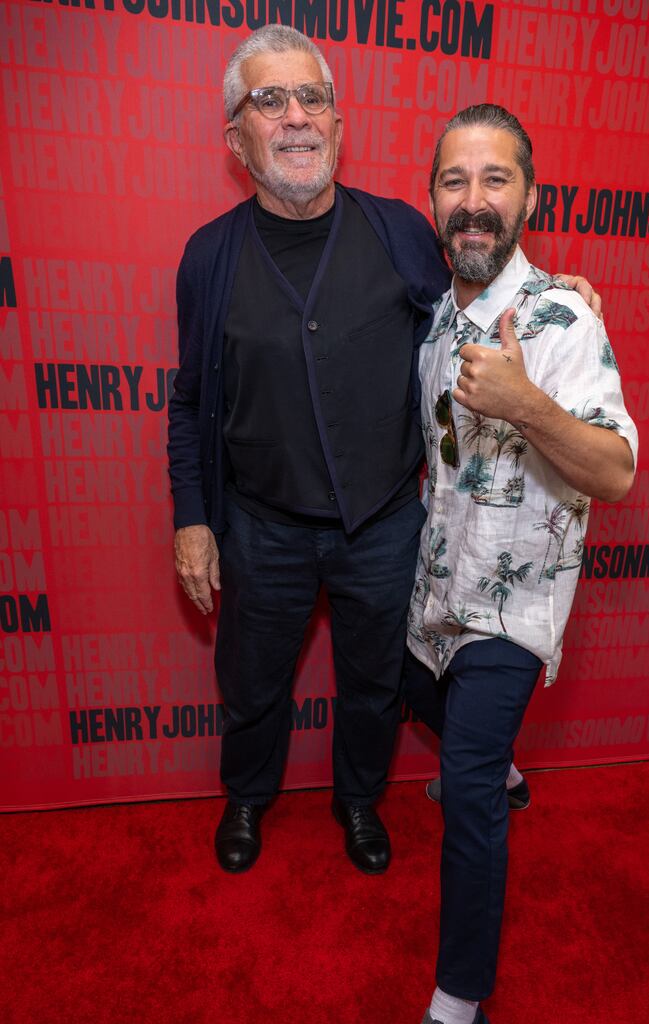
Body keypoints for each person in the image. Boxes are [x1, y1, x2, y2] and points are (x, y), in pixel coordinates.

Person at [167, 27, 598, 878]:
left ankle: (358, 801)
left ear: (338, 121)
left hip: (384, 528)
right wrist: (192, 518)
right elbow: (189, 403)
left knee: (373, 685)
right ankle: (248, 797)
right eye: (270, 101)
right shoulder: (208, 258)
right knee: (253, 686)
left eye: (313, 98)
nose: (296, 118)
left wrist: (555, 291)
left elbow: (480, 289)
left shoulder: (400, 230)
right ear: (235, 138)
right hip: (261, 528)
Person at [364, 105, 637, 1024]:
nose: (472, 200)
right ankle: (504, 766)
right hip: (430, 593)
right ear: (432, 199)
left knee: (465, 791)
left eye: (494, 180)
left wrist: (526, 403)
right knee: (395, 694)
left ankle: (455, 1014)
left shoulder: (566, 323)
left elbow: (611, 473)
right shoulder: (435, 313)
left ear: (529, 196)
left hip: (510, 609)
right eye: (452, 180)